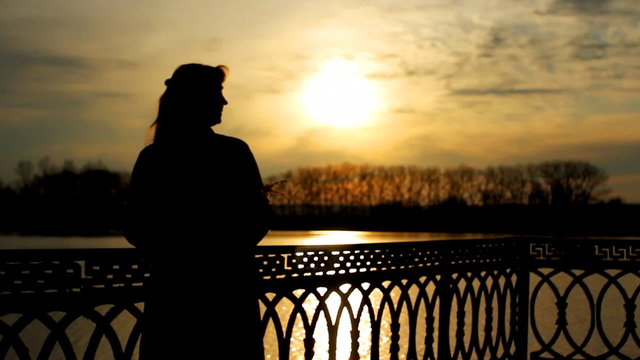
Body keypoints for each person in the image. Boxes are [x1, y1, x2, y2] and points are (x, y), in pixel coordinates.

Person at [124, 63, 271, 359]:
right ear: (197, 98)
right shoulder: (233, 152)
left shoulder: (153, 158)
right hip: (228, 297)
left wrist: (177, 255)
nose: (224, 101)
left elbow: (135, 227)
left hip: (172, 297)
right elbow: (257, 221)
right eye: (217, 92)